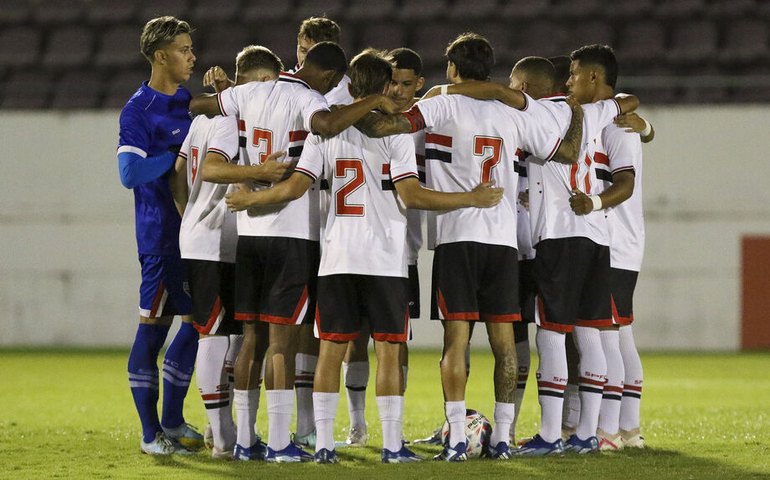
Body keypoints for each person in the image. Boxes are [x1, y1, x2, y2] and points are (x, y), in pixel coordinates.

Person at [225, 48, 503, 464]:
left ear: (351, 85)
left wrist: (251, 199)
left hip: (336, 258)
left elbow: (296, 187)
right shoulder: (396, 135)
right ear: (387, 87)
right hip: (384, 258)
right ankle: (392, 447)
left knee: (332, 350)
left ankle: (323, 446)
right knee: (388, 349)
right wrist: (472, 198)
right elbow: (411, 196)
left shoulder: (327, 133)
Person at [355, 33, 585, 461]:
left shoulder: (441, 102)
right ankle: (501, 439)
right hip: (501, 244)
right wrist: (573, 109)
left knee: (455, 344)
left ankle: (458, 439)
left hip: (456, 238)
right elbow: (569, 152)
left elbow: (388, 126)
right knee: (505, 345)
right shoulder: (513, 111)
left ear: (452, 68)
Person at [189, 41, 399, 462]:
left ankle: (247, 441)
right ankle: (281, 442)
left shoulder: (246, 94)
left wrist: (218, 94)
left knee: (250, 339)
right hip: (291, 232)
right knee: (280, 340)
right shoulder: (308, 98)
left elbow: (198, 106)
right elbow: (324, 124)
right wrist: (374, 100)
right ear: (328, 77)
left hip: (249, 234)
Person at [424, 53, 639, 455]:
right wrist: (644, 126)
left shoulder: (532, 115)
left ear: (524, 87)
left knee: (552, 334)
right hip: (597, 234)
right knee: (590, 332)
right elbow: (627, 101)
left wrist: (445, 91)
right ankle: (589, 433)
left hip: (556, 234)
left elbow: (496, 98)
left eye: (515, 83)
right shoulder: (589, 112)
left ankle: (551, 434)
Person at [169, 46, 290, 459]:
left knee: (234, 337)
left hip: (216, 238)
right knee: (216, 336)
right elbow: (213, 169)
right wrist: (261, 172)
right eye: (272, 84)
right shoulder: (228, 120)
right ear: (259, 82)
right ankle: (223, 438)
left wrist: (189, 215)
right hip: (217, 242)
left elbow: (179, 172)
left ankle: (228, 429)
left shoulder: (203, 120)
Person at [116, 16, 203, 456]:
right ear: (160, 56)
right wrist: (172, 157)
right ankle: (151, 433)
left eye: (191, 48)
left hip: (193, 235)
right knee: (153, 329)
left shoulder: (185, 99)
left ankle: (172, 418)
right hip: (160, 239)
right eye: (184, 49)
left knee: (196, 324)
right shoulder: (138, 110)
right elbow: (129, 173)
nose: (192, 56)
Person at [337, 47, 427, 448]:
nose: (400, 89)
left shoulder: (426, 116)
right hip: (365, 246)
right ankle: (358, 425)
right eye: (394, 82)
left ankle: (395, 427)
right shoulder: (361, 120)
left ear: (418, 85)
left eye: (407, 83)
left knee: (395, 341)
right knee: (355, 339)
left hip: (401, 249)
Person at [567, 45, 647, 450]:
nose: (569, 81)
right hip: (619, 240)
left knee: (606, 337)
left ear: (594, 78)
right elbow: (644, 132)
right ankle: (628, 429)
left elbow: (625, 183)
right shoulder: (619, 123)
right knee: (620, 335)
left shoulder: (616, 127)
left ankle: (610, 431)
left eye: (574, 74)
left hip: (614, 240)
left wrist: (594, 204)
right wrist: (648, 129)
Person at [290, 15, 353, 449]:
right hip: (299, 221)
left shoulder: (343, 97)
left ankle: (320, 424)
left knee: (324, 329)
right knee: (295, 325)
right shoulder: (288, 88)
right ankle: (301, 424)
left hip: (332, 227)